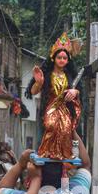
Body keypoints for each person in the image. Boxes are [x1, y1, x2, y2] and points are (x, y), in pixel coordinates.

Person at [26, 32, 81, 160]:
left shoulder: (70, 76)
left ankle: (63, 153)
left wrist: (75, 92)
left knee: (66, 129)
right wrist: (39, 82)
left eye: (64, 58)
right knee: (51, 125)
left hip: (65, 109)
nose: (62, 60)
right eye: (59, 57)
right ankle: (47, 151)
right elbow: (33, 92)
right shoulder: (47, 74)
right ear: (53, 58)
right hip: (50, 106)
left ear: (68, 60)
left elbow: (79, 91)